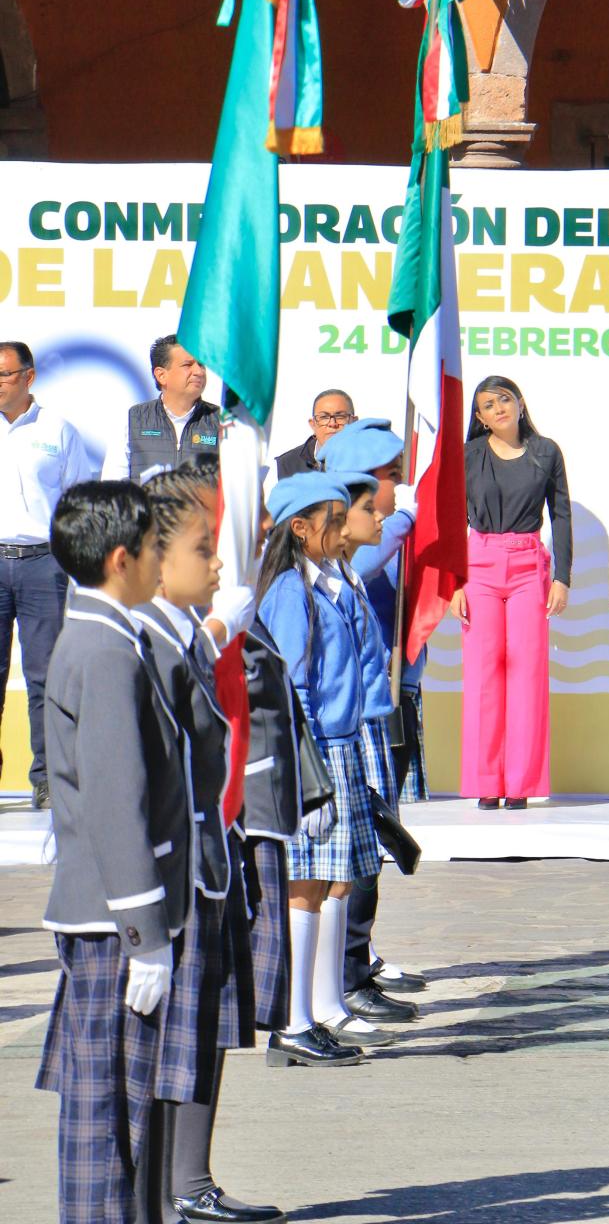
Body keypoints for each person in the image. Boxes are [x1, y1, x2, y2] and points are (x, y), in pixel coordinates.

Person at [35, 481, 193, 1224]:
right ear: (123, 557)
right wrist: (146, 934)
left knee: (119, 1114)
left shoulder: (111, 635)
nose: (165, 559)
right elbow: (113, 798)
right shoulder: (103, 649)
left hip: (112, 915)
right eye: (156, 546)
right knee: (106, 1123)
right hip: (111, 922)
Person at [133, 469, 281, 1224]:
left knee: (209, 1027)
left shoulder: (192, 626)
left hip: (216, 847)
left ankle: (190, 1183)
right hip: (170, 868)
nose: (224, 563)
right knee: (165, 1041)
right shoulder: (147, 637)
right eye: (207, 545)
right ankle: (160, 1195)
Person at [256, 472, 380, 1067]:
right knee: (303, 889)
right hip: (315, 752)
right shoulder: (289, 592)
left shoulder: (329, 582)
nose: (341, 530)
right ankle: (293, 1022)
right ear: (299, 529)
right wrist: (305, 786)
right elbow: (290, 689)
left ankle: (317, 1013)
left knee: (330, 881)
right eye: (332, 521)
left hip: (341, 746)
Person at [324, 419, 427, 1006]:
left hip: (374, 712)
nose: (397, 490)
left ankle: (354, 964)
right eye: (389, 479)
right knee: (348, 861)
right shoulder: (336, 555)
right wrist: (408, 521)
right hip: (347, 725)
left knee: (367, 853)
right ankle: (342, 976)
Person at [453, 376, 572, 809]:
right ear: (480, 418)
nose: (498, 408)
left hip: (527, 566)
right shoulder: (467, 455)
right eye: (488, 404)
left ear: (519, 403)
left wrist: (563, 577)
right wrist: (453, 583)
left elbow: (561, 515)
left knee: (526, 677)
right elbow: (450, 519)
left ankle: (520, 784)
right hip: (478, 565)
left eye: (504, 399)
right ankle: (487, 782)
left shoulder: (546, 452)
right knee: (483, 677)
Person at [0, 339, 92, 808]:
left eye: (4, 375)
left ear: (28, 377)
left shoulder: (58, 430)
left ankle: (48, 776)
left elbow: (78, 500)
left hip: (42, 563)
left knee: (45, 676)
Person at [103, 334, 219, 482]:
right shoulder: (132, 419)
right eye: (187, 365)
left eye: (201, 364)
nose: (199, 372)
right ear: (161, 375)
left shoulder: (222, 421)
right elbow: (112, 485)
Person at [274, 388, 356, 480]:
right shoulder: (288, 464)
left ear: (354, 422)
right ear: (313, 424)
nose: (332, 423)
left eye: (340, 416)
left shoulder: (371, 461)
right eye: (324, 417)